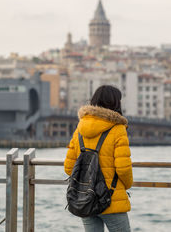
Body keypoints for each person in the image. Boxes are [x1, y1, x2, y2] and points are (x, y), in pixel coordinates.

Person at [64, 85, 133, 232]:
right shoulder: (118, 129)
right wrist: (125, 186)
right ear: (115, 103)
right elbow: (123, 168)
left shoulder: (80, 129)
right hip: (111, 197)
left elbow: (69, 167)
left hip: (85, 198)